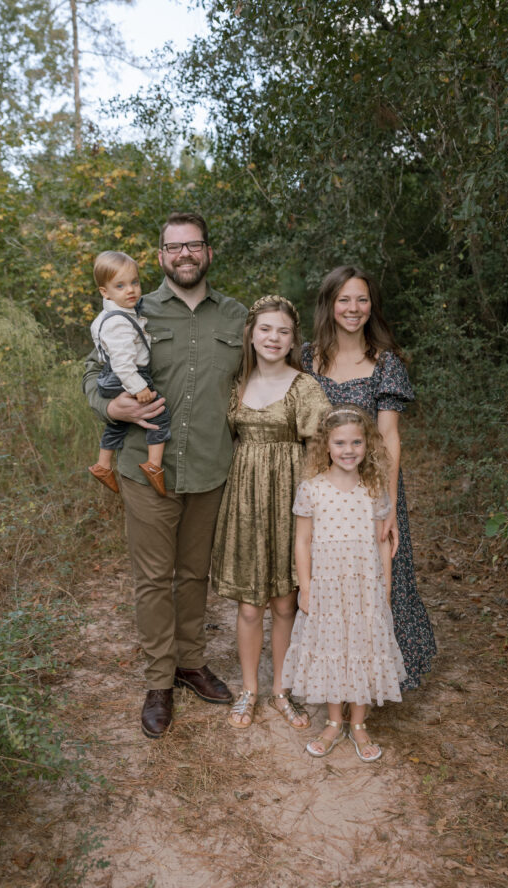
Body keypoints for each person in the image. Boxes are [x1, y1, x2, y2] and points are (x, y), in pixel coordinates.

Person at [83, 213, 247, 738]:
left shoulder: (236, 316)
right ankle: (159, 680)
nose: (184, 254)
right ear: (161, 256)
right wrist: (113, 408)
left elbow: (264, 372)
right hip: (144, 465)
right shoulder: (133, 308)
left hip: (210, 466)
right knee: (154, 578)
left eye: (194, 245)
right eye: (174, 247)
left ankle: (190, 663)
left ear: (208, 252)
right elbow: (93, 373)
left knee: (194, 574)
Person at [301, 266, 436, 690]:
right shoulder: (306, 359)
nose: (353, 308)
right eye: (344, 299)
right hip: (323, 492)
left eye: (361, 299)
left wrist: (388, 506)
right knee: (328, 577)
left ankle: (377, 679)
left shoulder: (385, 363)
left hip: (371, 491)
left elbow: (390, 437)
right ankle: (331, 676)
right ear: (329, 305)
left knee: (378, 576)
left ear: (371, 305)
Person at [211, 295, 330, 730]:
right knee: (249, 606)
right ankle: (249, 689)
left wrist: (315, 507)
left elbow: (320, 447)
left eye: (283, 331)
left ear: (294, 340)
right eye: (265, 329)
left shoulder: (304, 387)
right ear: (251, 334)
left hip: (289, 499)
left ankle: (281, 689)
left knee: (284, 603)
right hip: (245, 500)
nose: (274, 338)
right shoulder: (236, 383)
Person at [282, 404, 406, 762]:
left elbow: (381, 542)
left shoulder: (374, 489)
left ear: (367, 445)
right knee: (333, 648)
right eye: (340, 443)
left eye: (356, 442)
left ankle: (359, 723)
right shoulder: (312, 489)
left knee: (363, 648)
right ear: (326, 445)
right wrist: (306, 587)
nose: (348, 450)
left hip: (364, 586)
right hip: (327, 586)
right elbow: (302, 541)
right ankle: (334, 722)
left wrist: (385, 587)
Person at [88, 250, 171, 496]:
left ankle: (103, 465)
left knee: (119, 425)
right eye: (120, 286)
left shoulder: (111, 315)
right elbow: (123, 363)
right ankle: (153, 465)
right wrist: (139, 387)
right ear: (105, 292)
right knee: (159, 415)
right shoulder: (118, 322)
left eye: (134, 282)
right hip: (129, 375)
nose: (131, 290)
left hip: (111, 376)